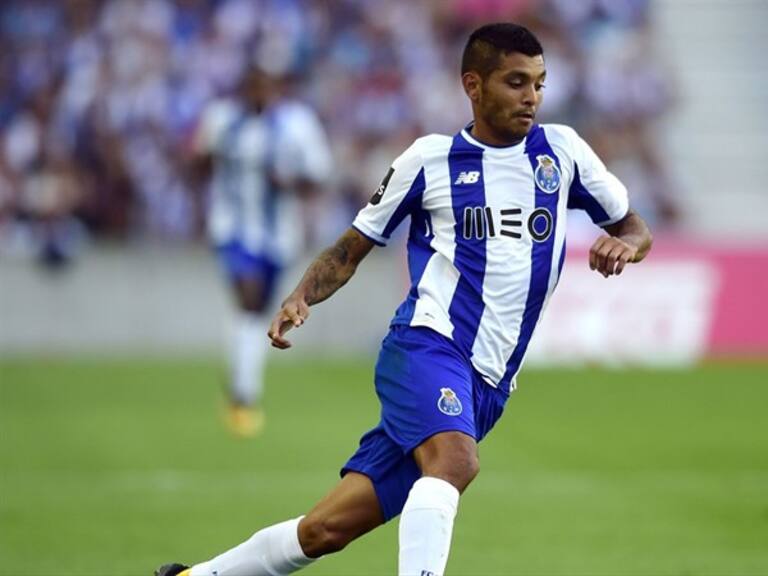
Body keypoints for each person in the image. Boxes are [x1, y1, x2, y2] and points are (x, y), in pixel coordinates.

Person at [157, 22, 652, 576]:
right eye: (516, 82)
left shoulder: (562, 152)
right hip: (427, 346)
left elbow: (635, 226)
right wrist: (301, 296)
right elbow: (351, 247)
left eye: (539, 82)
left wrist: (625, 245)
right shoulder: (429, 160)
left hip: (488, 383)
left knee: (325, 530)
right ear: (474, 84)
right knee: (455, 462)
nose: (531, 96)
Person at [192, 66, 332, 437]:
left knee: (257, 314)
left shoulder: (297, 124)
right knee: (249, 299)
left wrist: (288, 181)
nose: (258, 92)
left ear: (276, 87)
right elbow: (197, 164)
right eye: (251, 84)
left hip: (279, 235)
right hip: (232, 228)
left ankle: (240, 377)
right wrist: (209, 154)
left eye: (265, 85)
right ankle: (245, 394)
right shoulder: (221, 119)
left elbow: (319, 176)